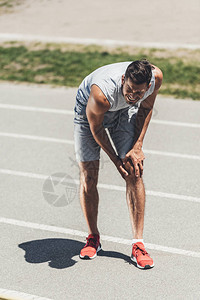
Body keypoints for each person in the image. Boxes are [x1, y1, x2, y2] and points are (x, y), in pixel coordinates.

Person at [73, 59, 163, 269]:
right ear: (123, 79)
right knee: (89, 175)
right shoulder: (101, 94)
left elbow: (147, 107)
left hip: (124, 112)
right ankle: (93, 237)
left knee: (134, 170)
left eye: (139, 93)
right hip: (89, 115)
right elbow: (97, 130)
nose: (133, 96)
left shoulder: (155, 78)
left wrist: (138, 146)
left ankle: (138, 244)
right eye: (130, 89)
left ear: (148, 85)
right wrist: (115, 160)